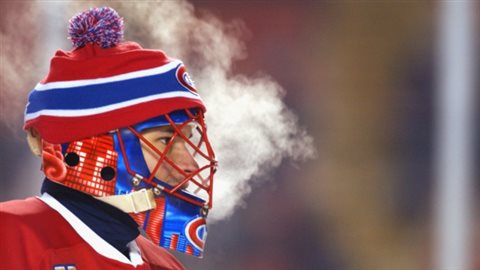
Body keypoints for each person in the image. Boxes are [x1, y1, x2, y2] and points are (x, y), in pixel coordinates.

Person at [0, 6, 217, 270]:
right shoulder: (10, 236)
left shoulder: (164, 264)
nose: (189, 167)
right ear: (90, 149)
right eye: (165, 141)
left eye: (187, 141)